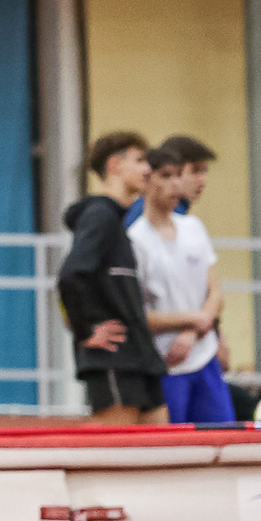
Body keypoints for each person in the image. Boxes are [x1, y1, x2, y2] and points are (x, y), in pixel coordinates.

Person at [59, 132, 166, 425]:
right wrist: (86, 331)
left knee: (159, 442)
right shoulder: (99, 215)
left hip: (141, 355)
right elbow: (70, 276)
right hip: (114, 357)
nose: (148, 170)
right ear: (115, 165)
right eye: (140, 160)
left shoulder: (117, 222)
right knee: (115, 441)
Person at [128, 149, 230, 425]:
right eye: (165, 176)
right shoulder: (135, 241)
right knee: (174, 445)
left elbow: (215, 291)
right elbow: (137, 316)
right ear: (147, 181)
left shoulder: (193, 227)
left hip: (203, 355)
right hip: (167, 363)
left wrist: (194, 329)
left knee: (221, 437)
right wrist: (193, 320)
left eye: (178, 176)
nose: (175, 184)